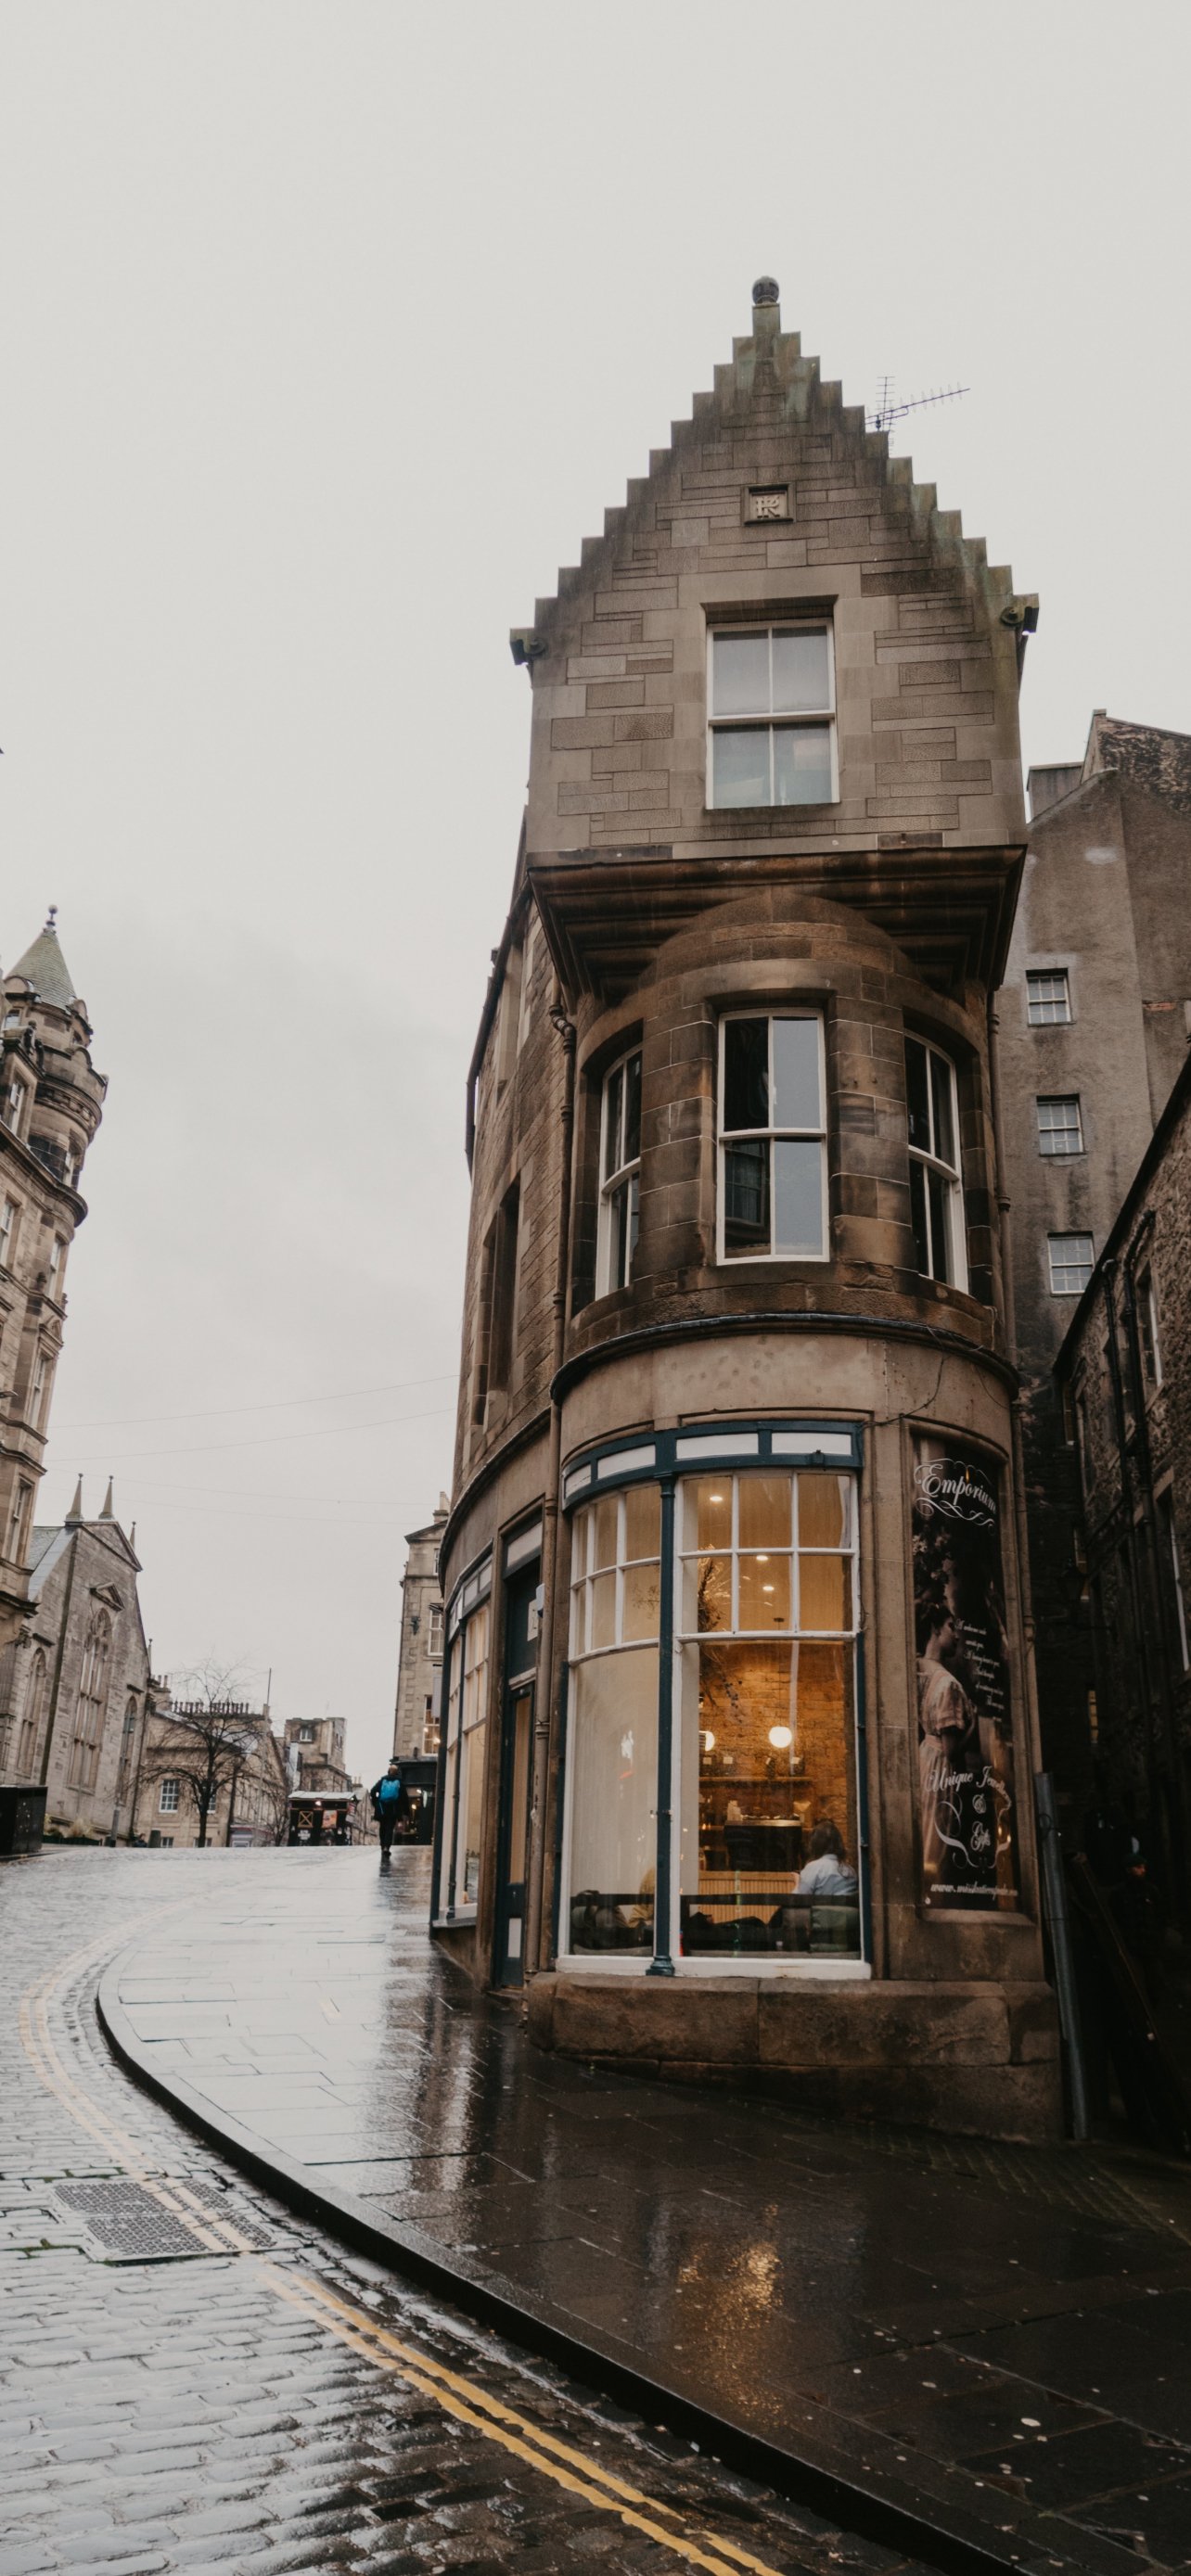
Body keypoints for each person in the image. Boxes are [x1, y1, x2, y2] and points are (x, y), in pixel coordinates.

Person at [795, 1820, 858, 1897]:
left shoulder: (813, 1869)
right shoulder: (850, 1871)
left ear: (814, 1845)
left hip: (822, 1905)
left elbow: (798, 1899)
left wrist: (798, 1882)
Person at [370, 1761, 411, 1861]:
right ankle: (386, 1847)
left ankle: (382, 1845)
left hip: (382, 1808)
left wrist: (376, 1803)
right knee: (389, 1828)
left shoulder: (382, 1780)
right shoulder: (399, 1782)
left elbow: (373, 1791)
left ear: (388, 1771)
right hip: (393, 1809)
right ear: (397, 1772)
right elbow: (405, 1798)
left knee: (383, 1827)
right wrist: (406, 1812)